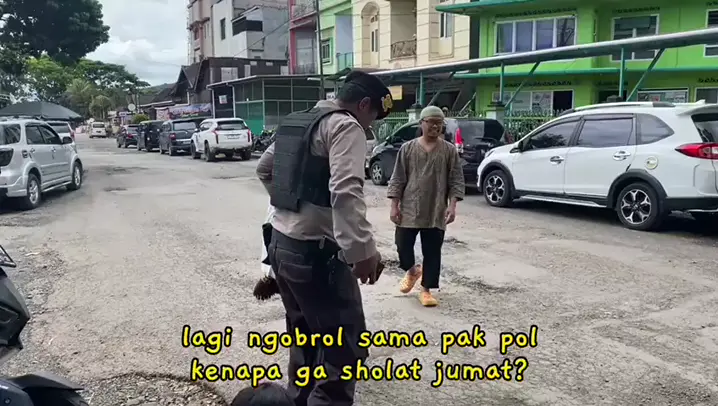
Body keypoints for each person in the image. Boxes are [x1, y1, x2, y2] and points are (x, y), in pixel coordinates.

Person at [255, 70, 392, 406]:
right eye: (373, 116)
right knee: (342, 353)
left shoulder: (298, 121)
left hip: (281, 245)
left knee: (304, 337)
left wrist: (295, 206)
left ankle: (297, 399)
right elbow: (346, 192)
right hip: (316, 256)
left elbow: (264, 169)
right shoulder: (345, 126)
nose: (369, 127)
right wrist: (362, 252)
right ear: (363, 104)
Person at [387, 106, 465, 307]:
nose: (435, 126)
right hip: (410, 208)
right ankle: (413, 271)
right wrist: (394, 205)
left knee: (432, 250)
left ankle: (426, 290)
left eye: (439, 123)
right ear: (421, 123)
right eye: (431, 122)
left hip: (435, 208)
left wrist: (452, 206)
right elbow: (398, 178)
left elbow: (456, 179)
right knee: (402, 244)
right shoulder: (407, 149)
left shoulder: (449, 150)